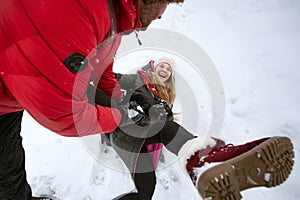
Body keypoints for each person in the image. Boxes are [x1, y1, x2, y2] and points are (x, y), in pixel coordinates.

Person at [0, 0, 185, 199]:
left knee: (7, 159)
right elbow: (67, 114)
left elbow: (100, 65)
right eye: (165, 3)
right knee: (6, 169)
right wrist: (118, 118)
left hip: (11, 83)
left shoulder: (112, 12)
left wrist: (117, 101)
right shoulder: (80, 12)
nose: (160, 16)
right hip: (9, 85)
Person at [97, 57, 295, 200]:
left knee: (146, 191)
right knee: (159, 134)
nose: (165, 68)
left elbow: (164, 120)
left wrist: (160, 112)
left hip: (144, 137)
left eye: (169, 68)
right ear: (153, 67)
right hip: (124, 131)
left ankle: (203, 162)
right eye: (162, 65)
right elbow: (109, 80)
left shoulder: (165, 95)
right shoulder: (137, 80)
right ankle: (201, 161)